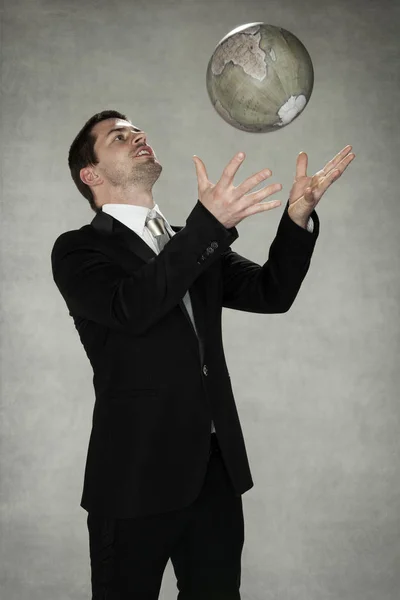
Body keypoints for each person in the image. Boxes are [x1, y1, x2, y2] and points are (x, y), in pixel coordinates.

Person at [51, 109, 355, 599]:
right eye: (118, 136)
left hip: (213, 471)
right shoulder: (78, 250)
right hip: (134, 475)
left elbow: (269, 293)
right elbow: (132, 308)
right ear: (91, 174)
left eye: (138, 129)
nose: (137, 135)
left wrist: (297, 219)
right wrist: (206, 226)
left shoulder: (186, 241)